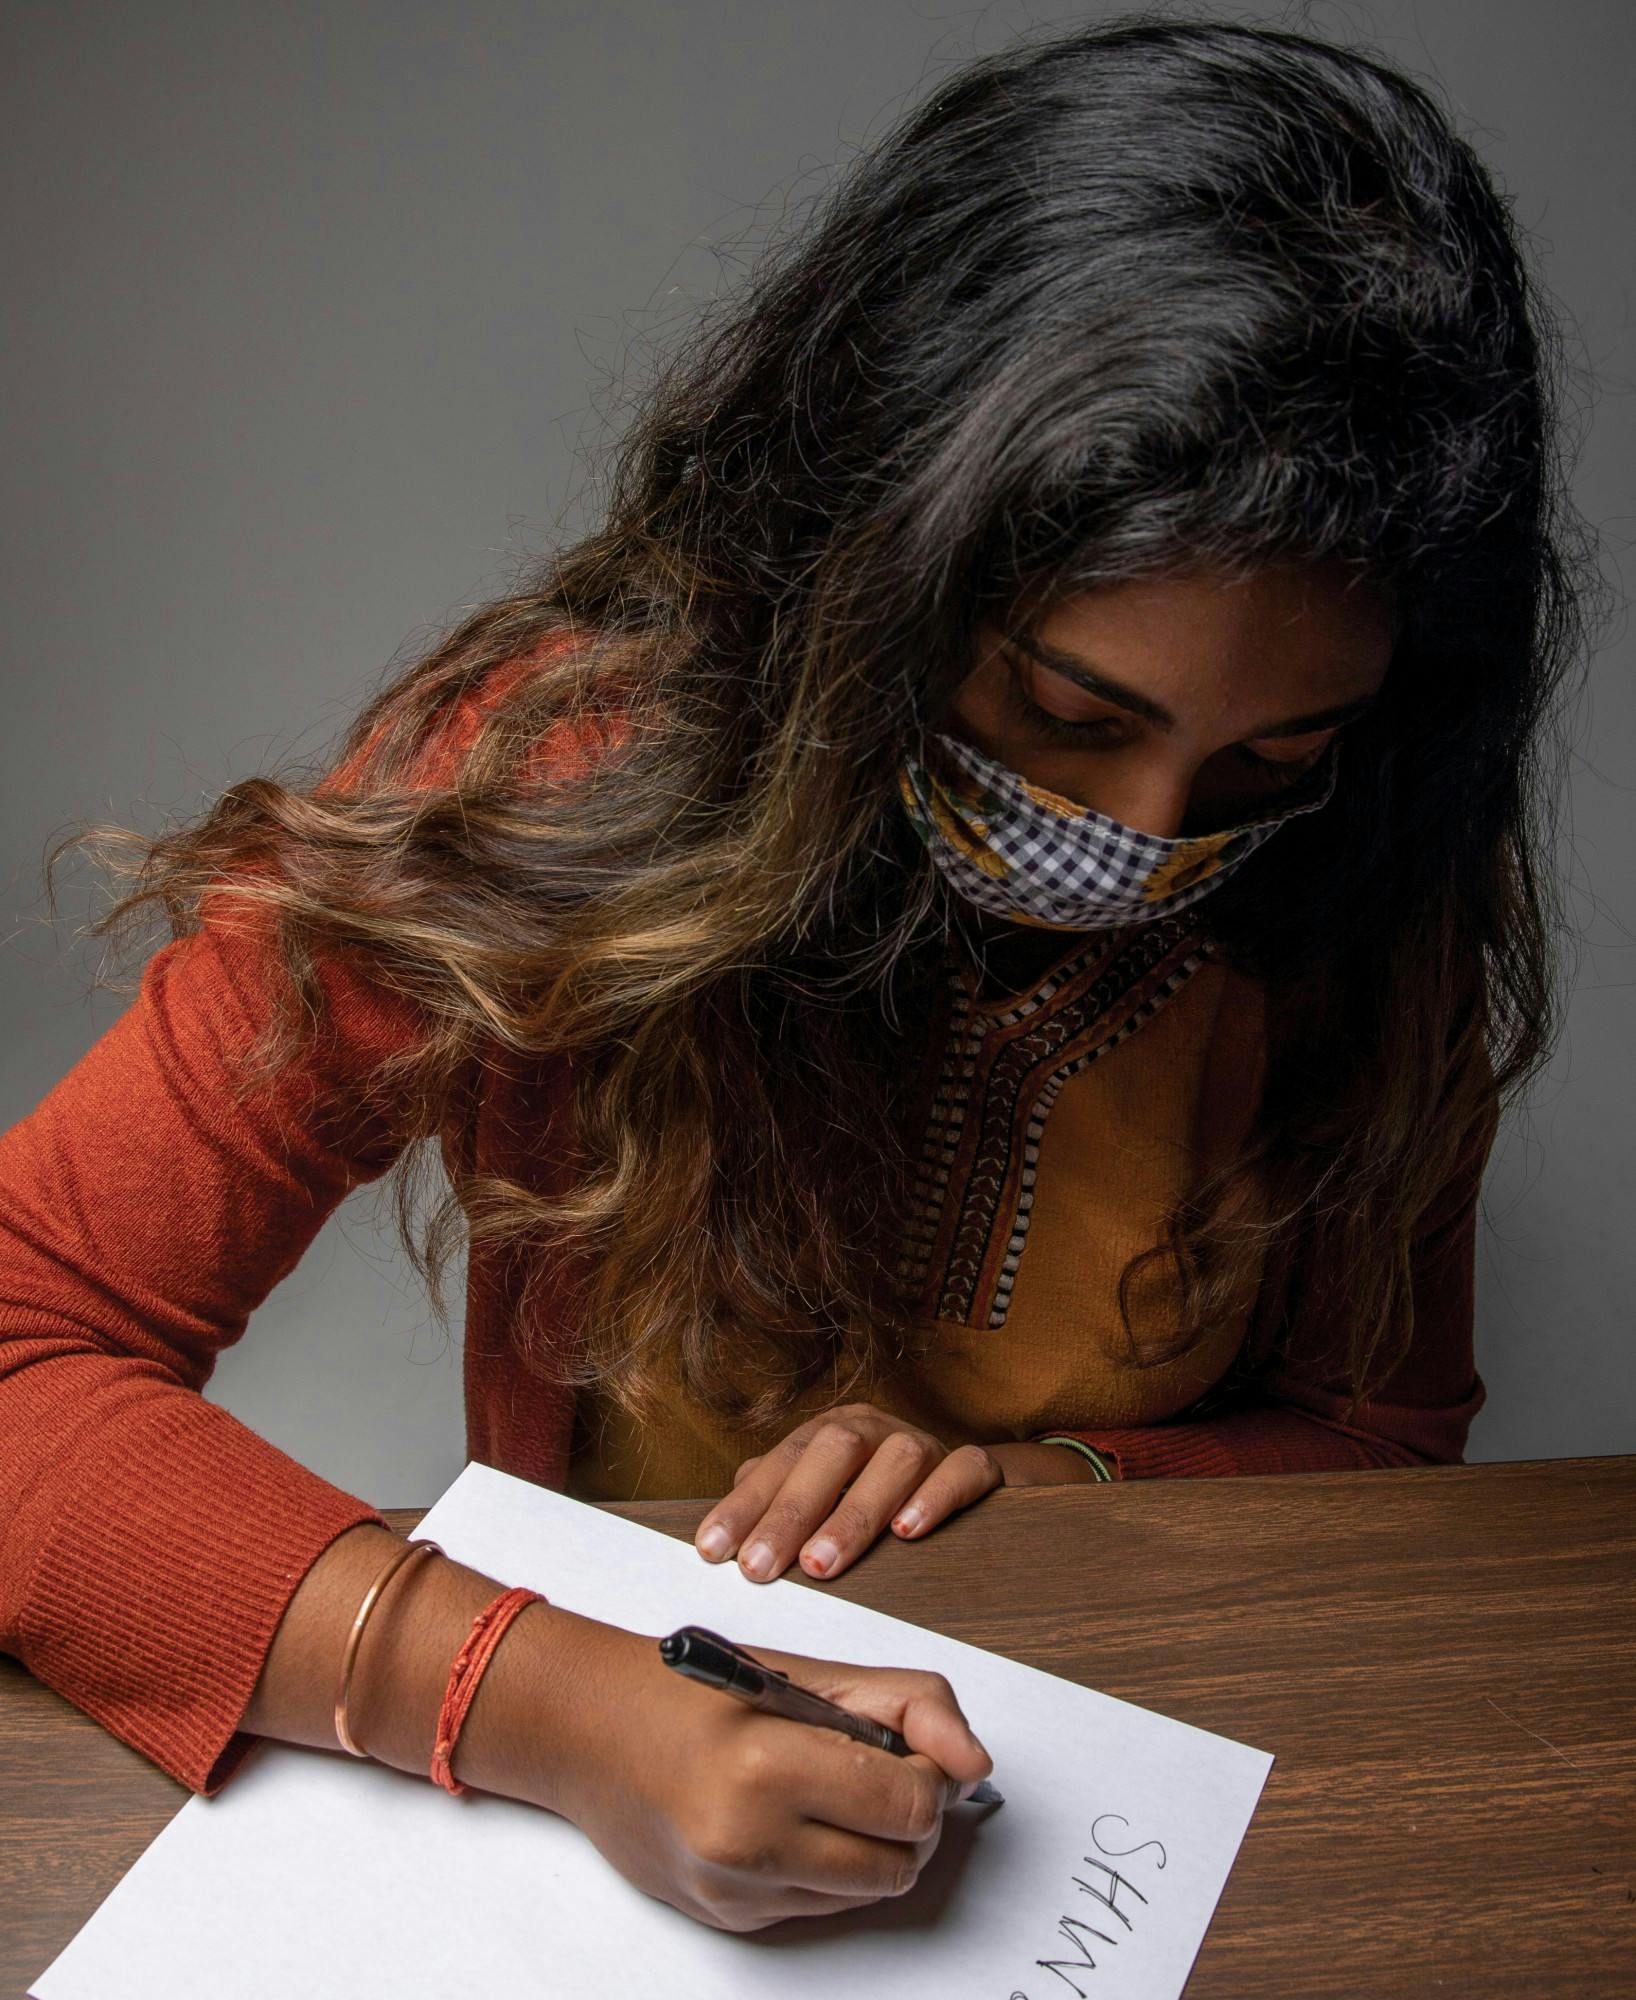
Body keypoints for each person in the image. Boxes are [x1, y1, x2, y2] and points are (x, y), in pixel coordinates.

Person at [0, 14, 1598, 1937]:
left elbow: (1382, 1441)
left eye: (1269, 758)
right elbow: (20, 1341)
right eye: (1069, 710)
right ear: (871, 563)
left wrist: (1058, 1483)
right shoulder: (551, 783)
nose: (1151, 834)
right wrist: (552, 1707)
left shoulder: (1367, 886)